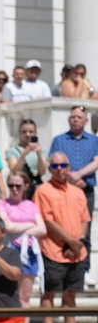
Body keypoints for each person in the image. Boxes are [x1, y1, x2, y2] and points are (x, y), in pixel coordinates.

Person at [33, 152, 95, 323]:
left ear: (69, 167)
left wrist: (79, 242)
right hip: (53, 250)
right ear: (50, 169)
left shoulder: (78, 191)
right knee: (49, 292)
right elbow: (47, 220)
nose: (59, 169)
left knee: (70, 293)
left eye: (62, 165)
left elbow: (85, 218)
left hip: (76, 252)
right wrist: (69, 241)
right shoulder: (43, 191)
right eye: (55, 166)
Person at [0, 170, 46, 323]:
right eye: (11, 186)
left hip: (29, 251)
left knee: (24, 295)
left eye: (18, 186)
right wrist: (29, 225)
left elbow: (43, 230)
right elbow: (6, 227)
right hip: (10, 251)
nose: (14, 189)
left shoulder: (31, 205)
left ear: (26, 186)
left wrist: (21, 228)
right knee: (8, 292)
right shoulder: (1, 204)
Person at [49, 105, 98, 277]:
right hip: (63, 190)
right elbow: (54, 161)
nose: (75, 120)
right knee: (64, 226)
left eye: (79, 117)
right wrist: (70, 178)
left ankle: (84, 268)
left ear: (85, 121)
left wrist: (80, 174)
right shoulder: (59, 140)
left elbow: (96, 161)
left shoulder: (93, 140)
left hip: (86, 190)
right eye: (73, 117)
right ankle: (63, 265)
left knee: (85, 228)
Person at [5, 119, 46, 199]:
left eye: (31, 132)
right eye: (24, 132)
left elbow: (42, 172)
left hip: (36, 187)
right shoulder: (12, 151)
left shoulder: (41, 150)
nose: (27, 134)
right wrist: (24, 154)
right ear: (19, 133)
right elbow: (14, 171)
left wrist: (39, 154)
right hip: (20, 188)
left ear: (35, 133)